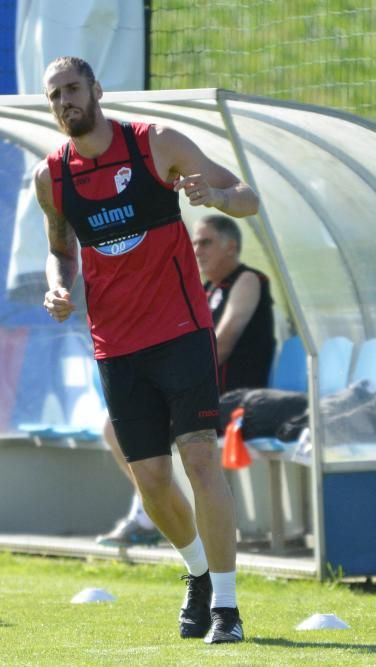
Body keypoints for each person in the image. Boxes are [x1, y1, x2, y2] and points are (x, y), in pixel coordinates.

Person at [35, 56, 260, 644]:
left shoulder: (155, 144)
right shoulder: (50, 177)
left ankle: (228, 611)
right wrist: (59, 285)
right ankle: (199, 575)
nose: (65, 102)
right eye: (55, 95)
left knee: (200, 460)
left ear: (97, 90)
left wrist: (211, 193)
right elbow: (60, 247)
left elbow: (247, 197)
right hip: (116, 347)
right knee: (153, 482)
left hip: (181, 334)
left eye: (73, 89)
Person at [97, 214, 276, 547]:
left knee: (126, 428)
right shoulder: (203, 290)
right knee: (117, 426)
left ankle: (156, 516)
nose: (197, 250)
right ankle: (155, 511)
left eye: (206, 242)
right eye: (194, 242)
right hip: (200, 395)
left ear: (231, 246)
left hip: (235, 400)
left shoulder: (248, 280)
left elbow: (222, 344)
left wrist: (171, 384)